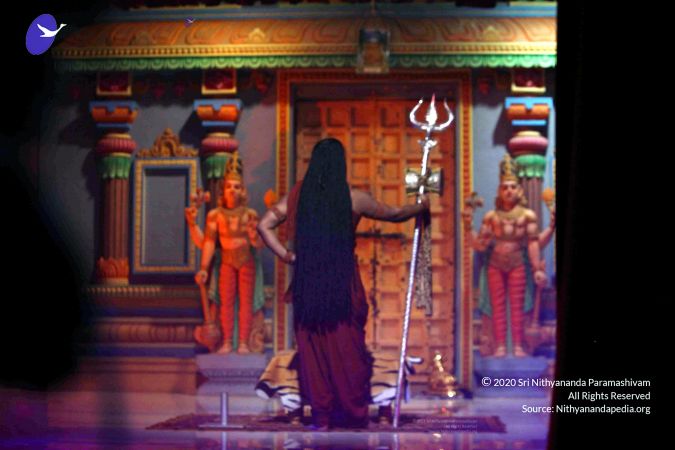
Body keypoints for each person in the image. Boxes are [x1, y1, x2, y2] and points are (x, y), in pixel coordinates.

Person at [257, 138, 429, 429]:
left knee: (313, 350)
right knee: (347, 349)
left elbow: (263, 225)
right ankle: (352, 413)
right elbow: (394, 214)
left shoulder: (297, 196)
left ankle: (322, 416)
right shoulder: (354, 198)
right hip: (342, 284)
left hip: (308, 283)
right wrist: (420, 206)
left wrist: (288, 256)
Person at [462, 154, 550, 358]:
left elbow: (533, 243)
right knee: (497, 306)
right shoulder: (491, 217)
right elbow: (480, 245)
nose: (509, 191)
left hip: (518, 263)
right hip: (495, 264)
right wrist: (468, 226)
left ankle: (518, 345)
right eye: (505, 187)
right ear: (499, 191)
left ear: (519, 190)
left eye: (512, 187)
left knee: (517, 307)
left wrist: (536, 269)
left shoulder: (527, 216)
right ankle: (500, 345)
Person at [195, 153, 264, 354]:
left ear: (242, 190)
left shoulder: (250, 214)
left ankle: (243, 342)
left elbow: (258, 244)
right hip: (226, 260)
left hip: (246, 260)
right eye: (228, 187)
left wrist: (254, 236)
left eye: (236, 187)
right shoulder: (215, 215)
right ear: (223, 191)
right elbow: (209, 242)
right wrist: (203, 268)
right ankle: (226, 341)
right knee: (226, 303)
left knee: (246, 303)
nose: (232, 190)